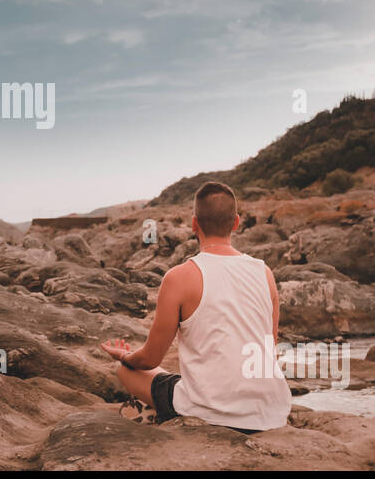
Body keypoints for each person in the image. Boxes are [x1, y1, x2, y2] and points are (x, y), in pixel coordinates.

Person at [101, 181, 290, 431]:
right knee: (168, 376)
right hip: (269, 412)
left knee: (127, 371)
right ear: (236, 222)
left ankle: (158, 413)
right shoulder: (264, 272)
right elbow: (269, 350)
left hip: (210, 413)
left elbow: (149, 359)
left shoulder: (179, 277)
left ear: (194, 224)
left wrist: (125, 356)